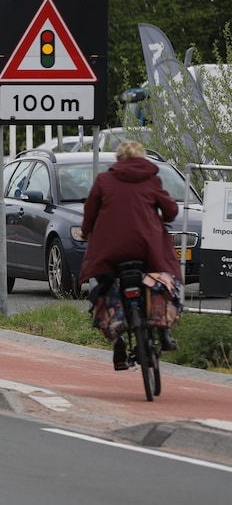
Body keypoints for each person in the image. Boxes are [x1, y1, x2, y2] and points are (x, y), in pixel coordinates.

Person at [79, 141, 180, 370]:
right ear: (142, 158)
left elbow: (90, 213)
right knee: (163, 279)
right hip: (147, 248)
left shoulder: (104, 180)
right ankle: (164, 331)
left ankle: (118, 338)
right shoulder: (152, 180)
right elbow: (172, 210)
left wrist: (86, 232)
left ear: (118, 160)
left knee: (106, 286)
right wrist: (160, 221)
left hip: (111, 250)